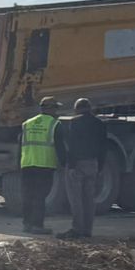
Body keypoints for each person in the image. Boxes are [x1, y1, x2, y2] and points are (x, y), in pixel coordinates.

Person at [57, 97, 107, 240]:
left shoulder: (74, 122)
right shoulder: (100, 123)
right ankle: (87, 230)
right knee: (89, 199)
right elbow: (103, 146)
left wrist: (71, 165)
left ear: (76, 109)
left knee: (76, 199)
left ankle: (77, 229)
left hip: (77, 164)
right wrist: (100, 166)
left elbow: (72, 146)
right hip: (93, 164)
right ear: (90, 108)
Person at [18, 95, 62, 236]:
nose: (57, 111)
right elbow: (60, 146)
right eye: (56, 108)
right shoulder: (54, 124)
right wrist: (64, 163)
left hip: (27, 164)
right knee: (39, 196)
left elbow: (20, 145)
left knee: (27, 195)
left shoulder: (27, 123)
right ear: (51, 109)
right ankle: (37, 225)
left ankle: (27, 224)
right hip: (44, 165)